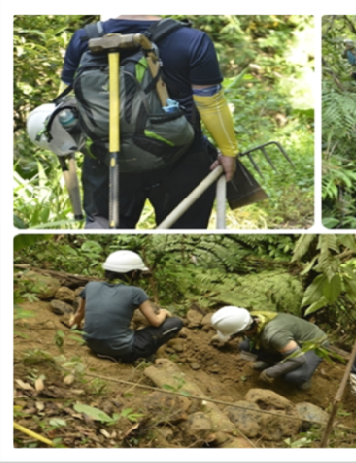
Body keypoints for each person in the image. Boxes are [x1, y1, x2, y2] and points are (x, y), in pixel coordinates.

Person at [60, 15, 239, 229]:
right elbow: (211, 103)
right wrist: (228, 151)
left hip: (105, 159)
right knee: (182, 236)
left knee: (105, 230)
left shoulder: (83, 39)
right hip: (180, 158)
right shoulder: (191, 40)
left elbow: (66, 105)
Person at [68, 251, 183, 363]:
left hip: (93, 346)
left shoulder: (91, 286)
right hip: (124, 353)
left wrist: (75, 325)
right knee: (176, 322)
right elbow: (156, 322)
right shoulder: (135, 292)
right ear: (133, 273)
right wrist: (163, 312)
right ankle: (143, 356)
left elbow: (79, 313)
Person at [211, 306, 328, 391]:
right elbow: (243, 327)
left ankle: (305, 375)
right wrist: (227, 336)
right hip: (287, 340)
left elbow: (298, 359)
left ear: (245, 330)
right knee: (244, 347)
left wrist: (271, 372)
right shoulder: (250, 317)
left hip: (313, 343)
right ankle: (272, 362)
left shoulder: (275, 335)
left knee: (293, 376)